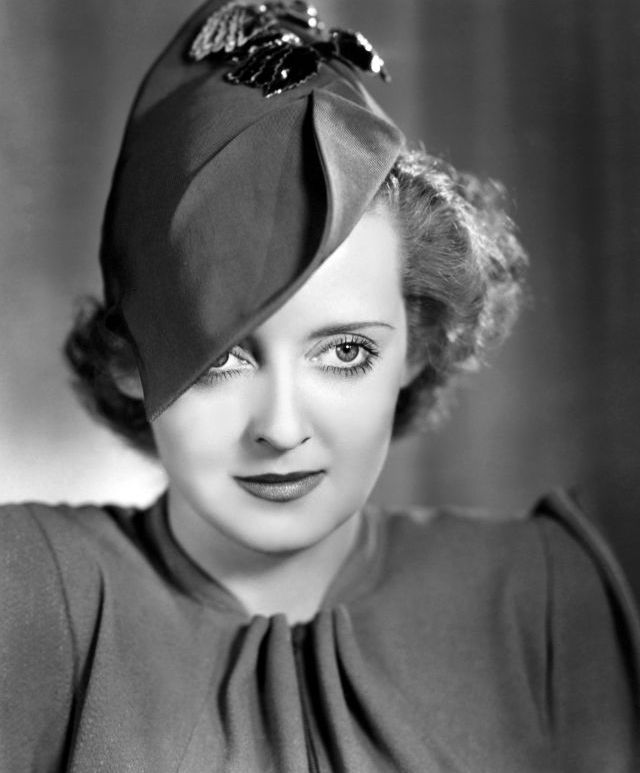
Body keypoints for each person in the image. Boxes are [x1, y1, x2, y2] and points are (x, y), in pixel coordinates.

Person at [1, 1, 639, 771]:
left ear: (416, 345)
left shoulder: (546, 596)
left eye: (343, 350)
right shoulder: (28, 593)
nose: (280, 427)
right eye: (220, 355)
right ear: (131, 359)